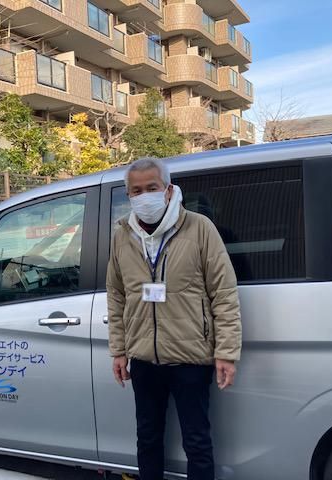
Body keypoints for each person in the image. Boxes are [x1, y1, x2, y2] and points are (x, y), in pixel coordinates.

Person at [106, 158, 242, 480]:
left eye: (151, 188)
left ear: (168, 190)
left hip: (191, 357)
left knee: (197, 441)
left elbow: (223, 292)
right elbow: (116, 294)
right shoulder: (122, 234)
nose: (144, 196)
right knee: (147, 438)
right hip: (143, 358)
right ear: (129, 195)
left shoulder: (199, 228)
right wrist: (119, 350)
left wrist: (226, 352)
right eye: (136, 191)